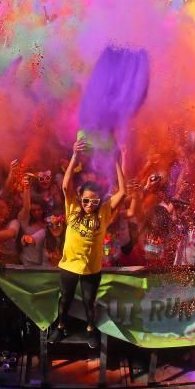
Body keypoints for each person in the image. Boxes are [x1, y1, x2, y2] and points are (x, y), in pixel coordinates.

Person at [49, 138, 127, 348]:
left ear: (99, 201)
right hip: (68, 266)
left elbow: (123, 192)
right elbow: (65, 186)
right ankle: (60, 327)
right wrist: (74, 156)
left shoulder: (104, 212)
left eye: (93, 201)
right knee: (64, 300)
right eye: (85, 200)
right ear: (80, 198)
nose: (89, 205)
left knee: (89, 302)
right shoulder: (72, 208)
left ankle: (91, 330)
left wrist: (117, 161)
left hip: (92, 269)